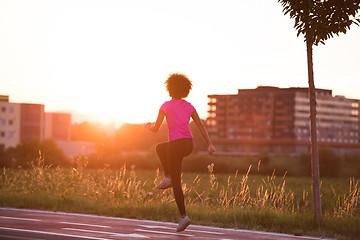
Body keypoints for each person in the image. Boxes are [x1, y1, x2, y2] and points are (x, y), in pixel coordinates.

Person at [146, 73, 215, 232]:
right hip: (188, 144)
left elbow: (155, 129)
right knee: (160, 148)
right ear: (186, 90)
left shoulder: (165, 106)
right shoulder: (189, 106)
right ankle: (168, 176)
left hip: (176, 145)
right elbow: (201, 126)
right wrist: (209, 144)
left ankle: (183, 217)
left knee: (176, 182)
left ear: (169, 89)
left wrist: (148, 127)